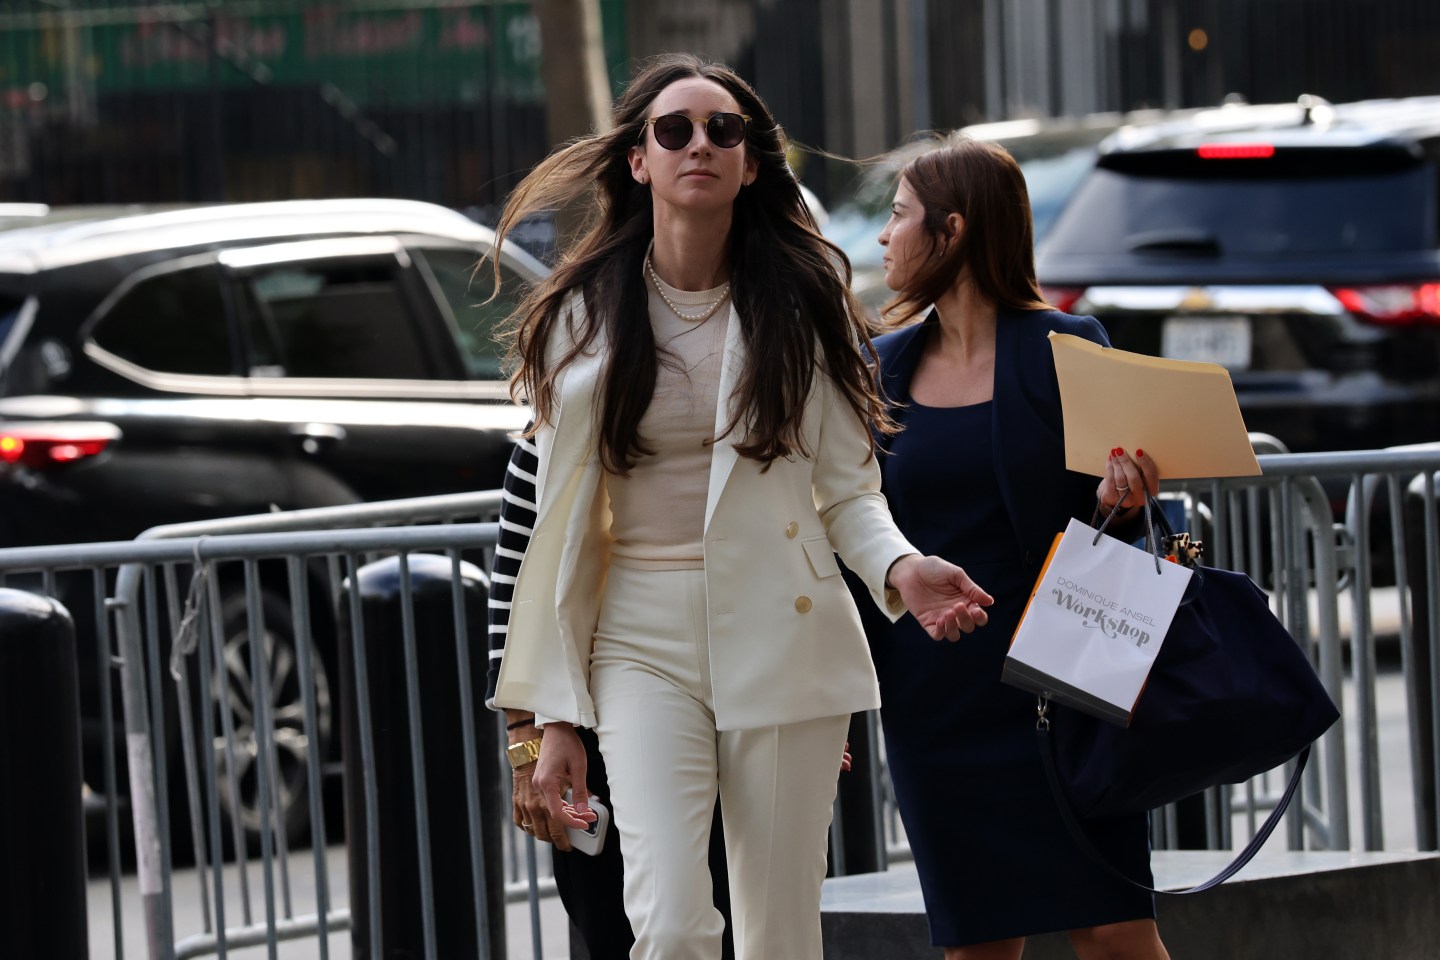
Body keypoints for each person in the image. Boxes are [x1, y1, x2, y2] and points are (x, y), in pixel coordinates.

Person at [483, 52, 993, 960]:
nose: (699, 146)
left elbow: (846, 490)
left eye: (724, 131)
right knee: (673, 923)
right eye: (672, 130)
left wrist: (901, 567)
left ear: (752, 162)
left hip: (781, 627)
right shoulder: (581, 313)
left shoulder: (806, 301)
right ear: (638, 160)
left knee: (778, 934)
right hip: (637, 638)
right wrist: (543, 719)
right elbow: (546, 531)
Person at [864, 135, 1170, 960]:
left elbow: (1127, 527)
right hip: (935, 698)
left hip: (1062, 688)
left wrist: (1122, 499)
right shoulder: (879, 369)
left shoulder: (1067, 349)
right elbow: (853, 526)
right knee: (978, 946)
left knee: (1113, 931)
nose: (884, 238)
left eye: (898, 217)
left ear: (953, 229)